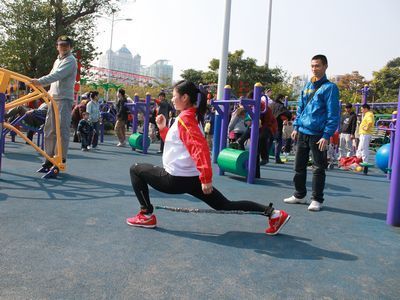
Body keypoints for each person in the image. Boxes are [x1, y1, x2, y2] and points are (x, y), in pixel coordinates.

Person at [126, 80, 290, 235]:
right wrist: (162, 128)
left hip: (176, 179)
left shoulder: (186, 119)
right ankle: (274, 214)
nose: (172, 99)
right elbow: (178, 143)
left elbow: (200, 148)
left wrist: (206, 178)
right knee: (225, 205)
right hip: (191, 178)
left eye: (174, 96)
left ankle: (146, 215)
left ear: (185, 97)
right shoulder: (189, 116)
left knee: (136, 169)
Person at [283, 54, 340, 212]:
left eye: (318, 66)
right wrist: (296, 126)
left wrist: (326, 135)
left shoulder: (330, 88)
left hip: (318, 134)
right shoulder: (307, 85)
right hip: (302, 132)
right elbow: (300, 108)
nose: (315, 69)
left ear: (325, 66)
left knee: (318, 168)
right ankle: (299, 195)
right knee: (298, 166)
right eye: (312, 66)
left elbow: (333, 114)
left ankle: (316, 199)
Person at [30, 35, 77, 169]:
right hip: (53, 98)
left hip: (63, 99)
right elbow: (52, 76)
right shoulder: (57, 61)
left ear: (70, 47)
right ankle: (49, 158)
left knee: (61, 130)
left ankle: (60, 159)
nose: (63, 47)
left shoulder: (70, 60)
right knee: (49, 129)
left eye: (66, 45)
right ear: (57, 46)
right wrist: (38, 88)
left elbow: (57, 76)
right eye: (60, 45)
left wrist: (39, 81)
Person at [269, 94, 292, 164]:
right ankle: (277, 158)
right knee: (278, 142)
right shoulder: (281, 106)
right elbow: (288, 114)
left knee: (268, 142)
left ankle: (263, 156)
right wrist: (287, 118)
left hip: (269, 125)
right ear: (280, 99)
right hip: (277, 125)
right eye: (282, 99)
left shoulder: (270, 105)